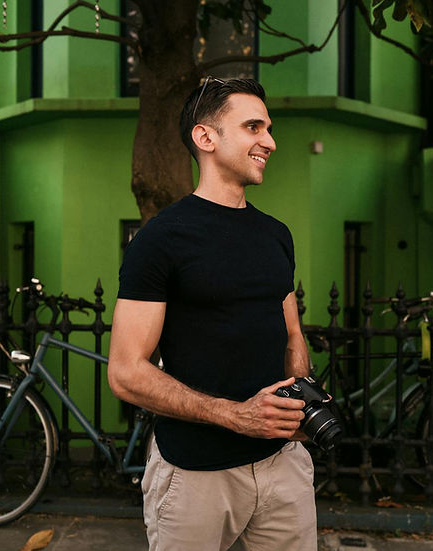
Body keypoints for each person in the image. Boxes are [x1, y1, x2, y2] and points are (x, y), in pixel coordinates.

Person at [108, 77, 317, 551]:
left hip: (283, 466)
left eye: (268, 129)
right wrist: (237, 416)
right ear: (206, 137)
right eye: (253, 127)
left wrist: (301, 402)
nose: (270, 142)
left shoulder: (276, 235)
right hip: (195, 475)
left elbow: (291, 335)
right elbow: (125, 373)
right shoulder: (161, 240)